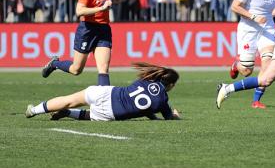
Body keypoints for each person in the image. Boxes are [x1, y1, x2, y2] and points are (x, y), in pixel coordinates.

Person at [41, 0, 113, 86]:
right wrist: (101, 7)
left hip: (103, 29)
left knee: (103, 69)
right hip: (88, 29)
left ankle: (105, 103)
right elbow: (79, 11)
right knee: (76, 69)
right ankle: (55, 64)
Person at [26, 62, 180, 121]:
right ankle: (68, 113)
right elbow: (167, 117)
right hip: (113, 114)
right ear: (171, 85)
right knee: (90, 115)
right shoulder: (162, 102)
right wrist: (175, 116)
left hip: (107, 93)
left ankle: (34, 110)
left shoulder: (147, 79)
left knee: (69, 100)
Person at [227, 0, 275, 109]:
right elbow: (235, 6)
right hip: (249, 28)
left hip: (268, 29)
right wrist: (253, 16)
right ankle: (236, 66)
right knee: (246, 71)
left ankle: (256, 100)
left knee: (268, 64)